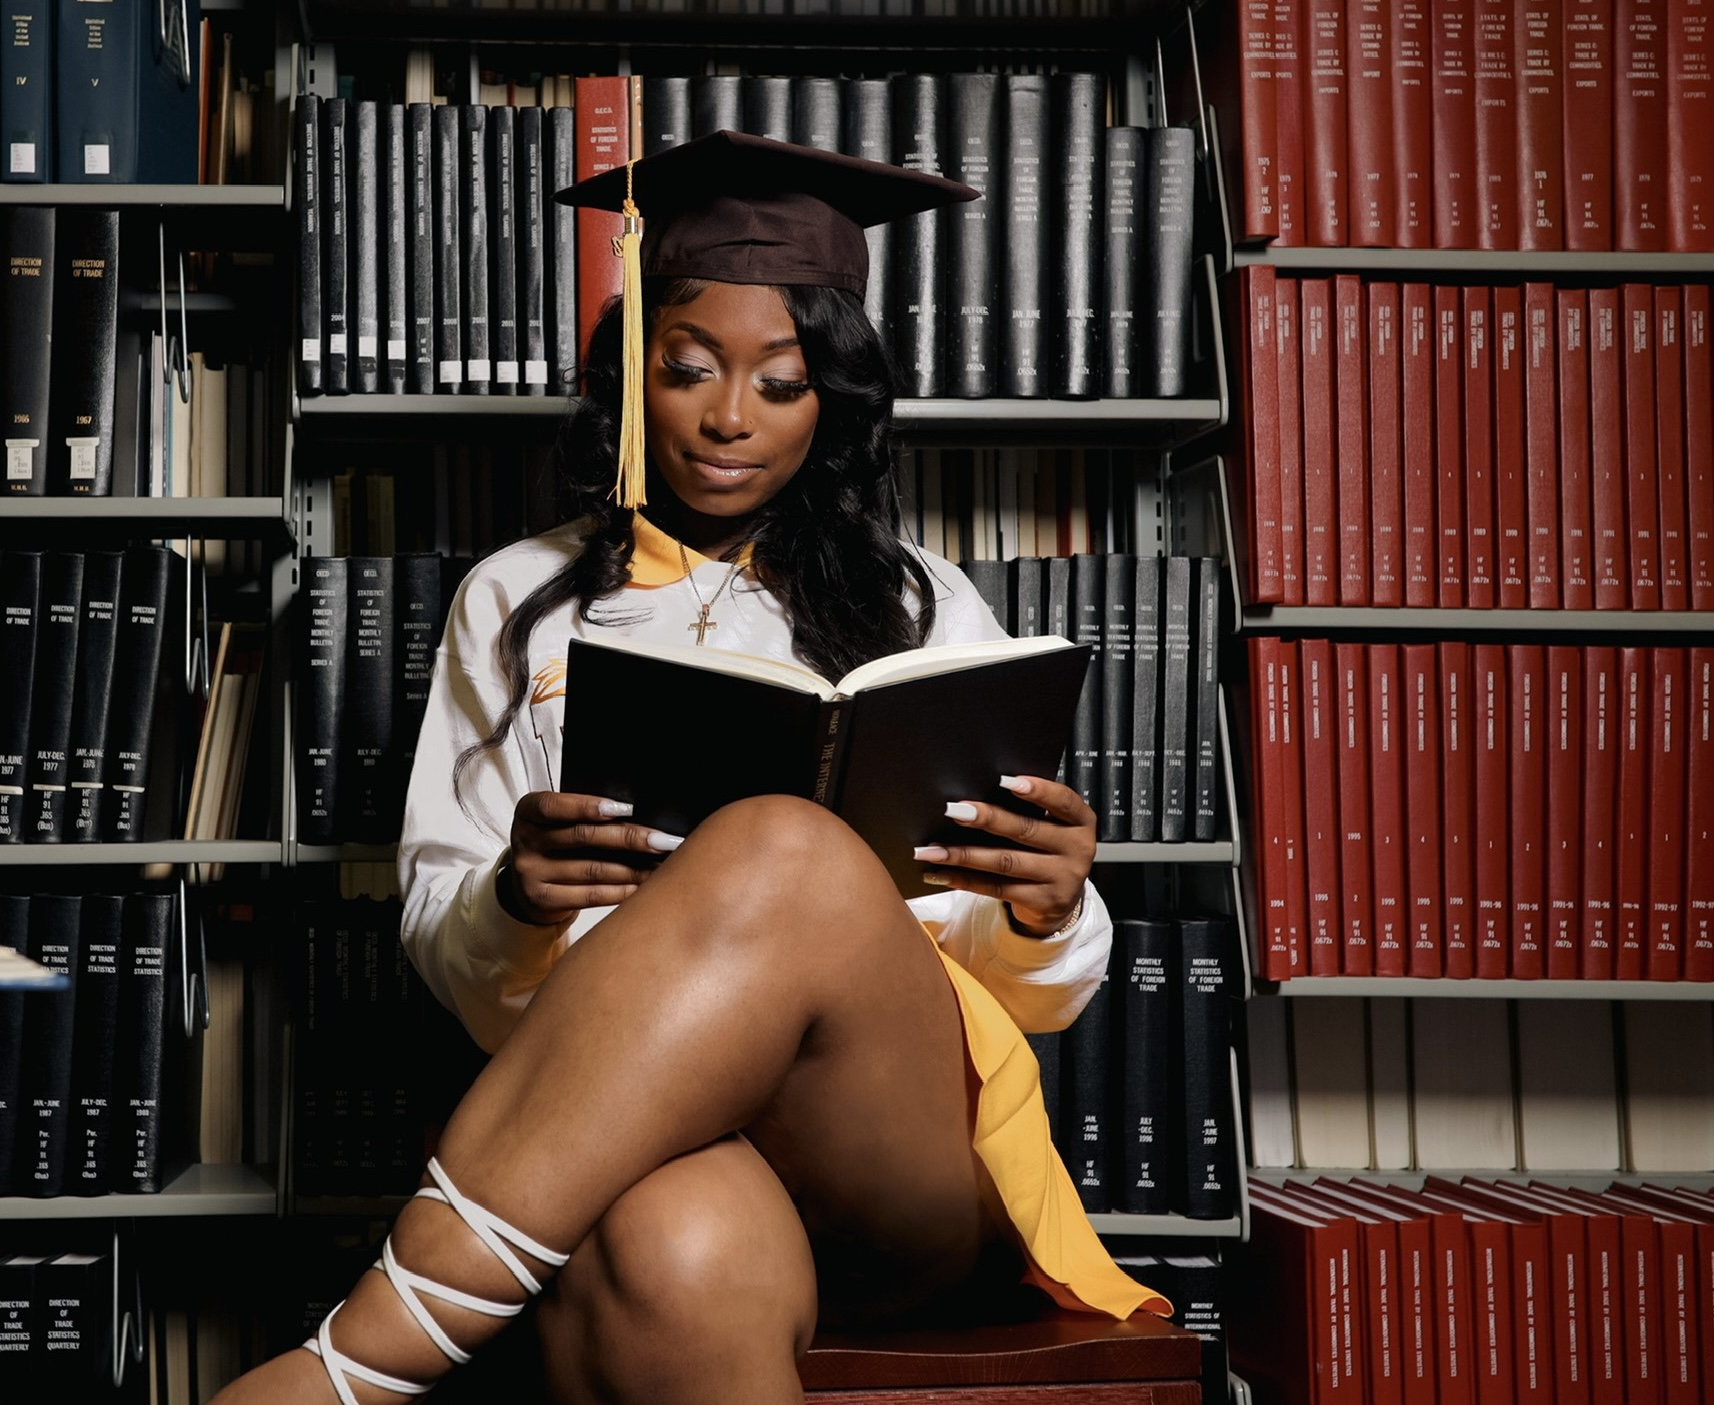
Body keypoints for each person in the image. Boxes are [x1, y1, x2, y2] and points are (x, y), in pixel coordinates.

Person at [213, 131, 1165, 1405]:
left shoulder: (924, 602)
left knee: (781, 845)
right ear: (628, 380)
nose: (729, 418)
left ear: (833, 399)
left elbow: (1033, 1000)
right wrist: (512, 901)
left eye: (781, 382)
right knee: (673, 1245)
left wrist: (1052, 907)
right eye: (689, 369)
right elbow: (446, 946)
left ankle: (353, 1367)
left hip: (896, 1161)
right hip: (635, 1140)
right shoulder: (517, 601)